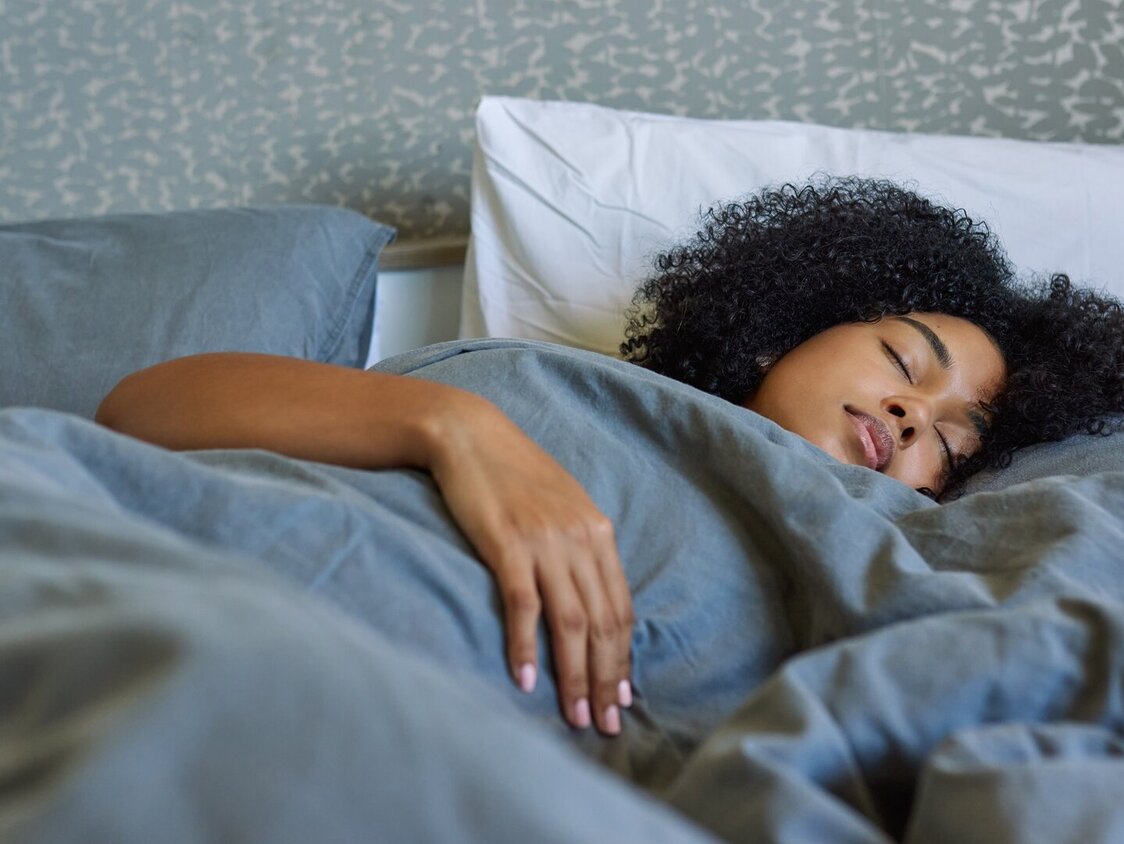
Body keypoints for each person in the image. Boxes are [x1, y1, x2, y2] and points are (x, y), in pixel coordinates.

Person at [95, 176, 1124, 738]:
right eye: (905, 360)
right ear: (790, 326)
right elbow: (141, 410)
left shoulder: (874, 549)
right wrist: (465, 432)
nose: (911, 414)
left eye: (951, 439)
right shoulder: (536, 382)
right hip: (182, 581)